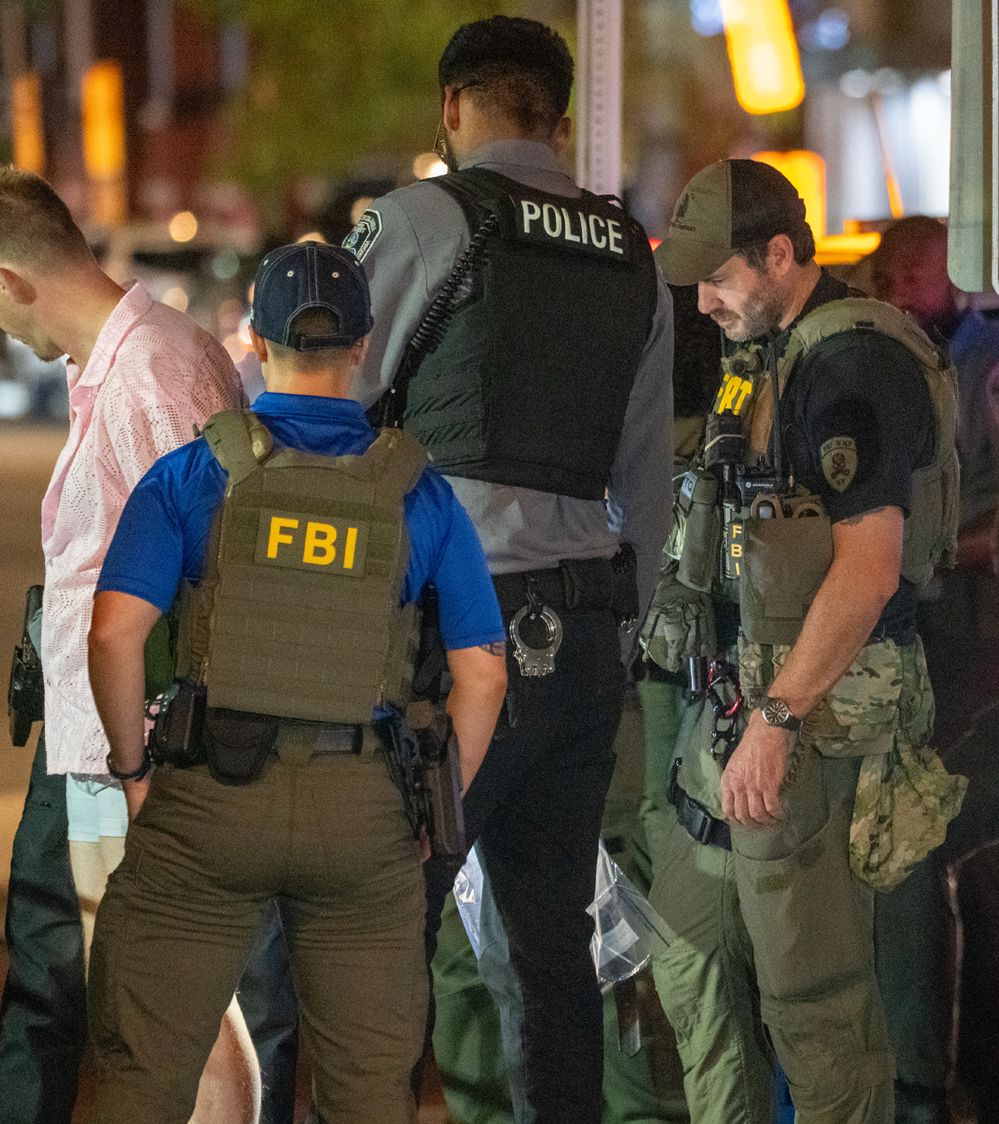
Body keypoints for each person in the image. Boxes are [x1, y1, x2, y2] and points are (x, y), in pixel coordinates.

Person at [81, 241, 508, 1124]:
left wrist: (135, 772)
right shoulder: (417, 493)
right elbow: (483, 672)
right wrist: (440, 808)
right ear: (361, 347)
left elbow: (117, 633)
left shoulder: (197, 471)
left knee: (145, 1077)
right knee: (368, 1092)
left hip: (209, 799)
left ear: (254, 336)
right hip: (362, 811)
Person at [343, 16, 673, 1124]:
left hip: (455, 643)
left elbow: (327, 414)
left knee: (384, 922)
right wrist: (609, 642)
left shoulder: (420, 220)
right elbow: (650, 487)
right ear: (561, 123)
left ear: (449, 109)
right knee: (549, 951)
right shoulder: (632, 256)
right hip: (582, 639)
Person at [638, 157, 964, 1124]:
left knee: (812, 999)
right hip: (736, 710)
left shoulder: (849, 367)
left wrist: (778, 721)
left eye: (720, 277)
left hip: (808, 722)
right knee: (690, 955)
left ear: (780, 253)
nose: (702, 301)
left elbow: (868, 568)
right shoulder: (768, 355)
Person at [0, 166, 270, 1124]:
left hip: (127, 748)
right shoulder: (132, 362)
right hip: (98, 738)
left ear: (10, 280)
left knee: (164, 1007)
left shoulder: (154, 374)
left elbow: (213, 569)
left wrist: (148, 768)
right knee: (74, 981)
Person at [864, 216, 999, 1123]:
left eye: (900, 269)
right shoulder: (888, 357)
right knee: (948, 872)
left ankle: (996, 1085)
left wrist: (942, 556)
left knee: (958, 862)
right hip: (915, 636)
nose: (885, 282)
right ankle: (991, 1085)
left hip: (981, 637)